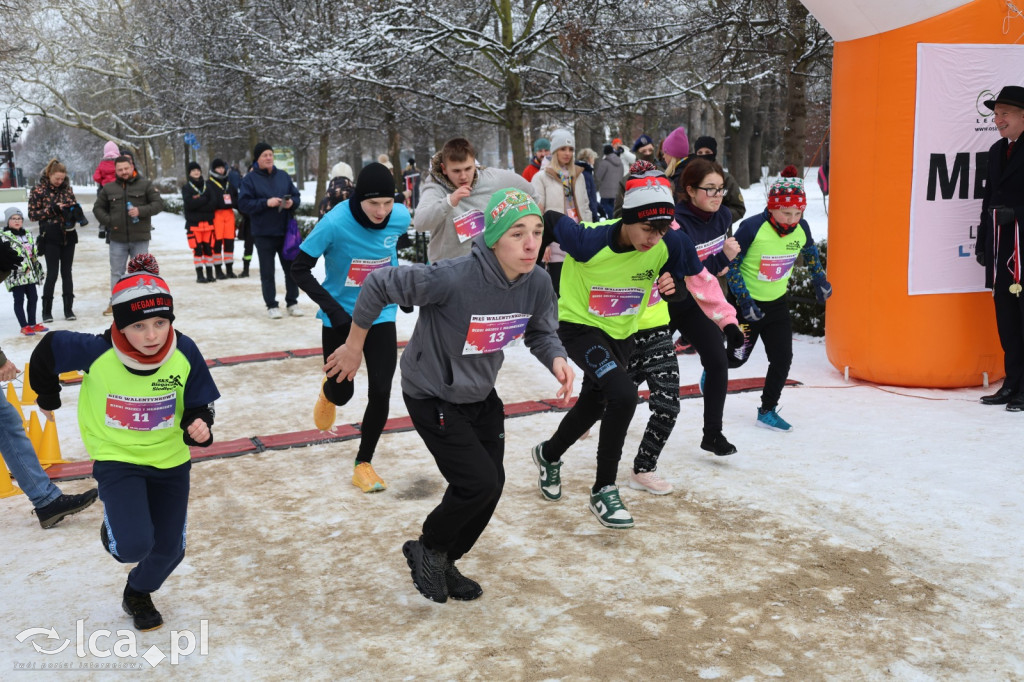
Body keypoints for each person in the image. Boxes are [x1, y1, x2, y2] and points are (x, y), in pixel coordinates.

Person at [325, 187, 573, 603]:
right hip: (431, 392)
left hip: (480, 392)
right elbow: (379, 283)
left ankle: (444, 557)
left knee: (491, 485)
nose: (532, 243)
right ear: (493, 238)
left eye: (536, 231)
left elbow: (541, 330)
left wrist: (557, 358)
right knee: (475, 481)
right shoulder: (454, 276)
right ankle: (429, 547)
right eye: (517, 234)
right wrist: (353, 347)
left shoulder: (539, 283)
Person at [530, 163, 741, 529]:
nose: (653, 239)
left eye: (661, 231)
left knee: (595, 403)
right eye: (647, 229)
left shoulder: (670, 242)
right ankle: (604, 490)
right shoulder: (587, 241)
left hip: (622, 332)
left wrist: (709, 311)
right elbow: (547, 218)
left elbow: (695, 278)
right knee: (624, 395)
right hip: (580, 327)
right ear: (627, 218)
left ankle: (548, 455)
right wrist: (531, 272)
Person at [30, 254, 220, 631]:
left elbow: (200, 403)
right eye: (138, 326)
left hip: (170, 461)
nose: (152, 335)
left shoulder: (185, 351)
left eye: (160, 323)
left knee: (170, 550)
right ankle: (119, 530)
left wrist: (199, 424)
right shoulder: (96, 352)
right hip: (116, 458)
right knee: (132, 545)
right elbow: (48, 350)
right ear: (119, 324)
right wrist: (48, 395)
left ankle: (138, 591)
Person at [291, 163, 411, 493]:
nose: (382, 211)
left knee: (382, 390)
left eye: (388, 203)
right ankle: (328, 393)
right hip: (340, 317)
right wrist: (332, 309)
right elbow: (299, 268)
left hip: (381, 315)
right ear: (358, 198)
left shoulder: (399, 216)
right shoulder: (334, 223)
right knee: (343, 394)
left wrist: (400, 291)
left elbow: (389, 249)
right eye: (374, 204)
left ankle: (364, 463)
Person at [725, 166, 832, 432]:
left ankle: (767, 409)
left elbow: (811, 255)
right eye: (786, 212)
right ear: (771, 207)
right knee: (736, 359)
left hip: (777, 305)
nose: (792, 219)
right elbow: (732, 267)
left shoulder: (801, 228)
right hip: (747, 307)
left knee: (782, 358)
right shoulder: (751, 228)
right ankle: (713, 367)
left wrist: (820, 280)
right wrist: (744, 301)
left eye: (798, 213)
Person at [669, 157, 741, 456]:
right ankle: (596, 411)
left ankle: (713, 434)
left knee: (716, 359)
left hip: (694, 300)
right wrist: (722, 260)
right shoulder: (677, 222)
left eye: (721, 189)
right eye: (709, 189)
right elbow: (690, 270)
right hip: (665, 298)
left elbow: (706, 273)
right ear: (690, 189)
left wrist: (721, 264)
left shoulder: (723, 216)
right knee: (633, 369)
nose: (717, 196)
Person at [414, 137, 538, 263]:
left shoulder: (492, 178)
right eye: (456, 171)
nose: (463, 176)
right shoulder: (435, 188)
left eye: (468, 169)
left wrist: (515, 224)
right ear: (444, 169)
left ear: (474, 163)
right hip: (448, 269)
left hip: (487, 267)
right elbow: (420, 223)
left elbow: (532, 194)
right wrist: (449, 201)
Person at [977, 85, 1024, 411]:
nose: (998, 120)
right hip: (1002, 248)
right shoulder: (996, 150)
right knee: (1007, 320)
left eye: (1004, 113)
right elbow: (988, 200)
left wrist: (1018, 214)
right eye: (995, 114)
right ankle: (1012, 384)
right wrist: (983, 242)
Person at [238, 142, 304, 318]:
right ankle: (271, 305)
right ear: (257, 159)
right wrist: (265, 203)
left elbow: (296, 196)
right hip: (263, 233)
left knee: (291, 269)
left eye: (270, 154)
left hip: (285, 232)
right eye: (264, 155)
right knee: (267, 272)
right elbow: (243, 204)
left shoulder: (283, 176)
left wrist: (292, 203)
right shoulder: (249, 179)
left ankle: (292, 302)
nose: (268, 158)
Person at [94, 156, 165, 315]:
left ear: (131, 166)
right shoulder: (109, 188)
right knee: (117, 272)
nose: (124, 172)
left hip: (140, 237)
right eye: (120, 169)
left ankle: (143, 302)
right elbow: (97, 209)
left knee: (142, 272)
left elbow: (159, 204)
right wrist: (110, 221)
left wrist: (141, 211)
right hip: (117, 239)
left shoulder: (145, 185)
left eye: (126, 168)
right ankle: (116, 303)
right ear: (116, 170)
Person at [531, 129, 592, 294]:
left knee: (578, 294)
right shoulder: (541, 177)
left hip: (578, 243)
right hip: (555, 245)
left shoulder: (578, 176)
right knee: (558, 294)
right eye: (563, 149)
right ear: (554, 151)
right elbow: (537, 213)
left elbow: (585, 207)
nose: (567, 153)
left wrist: (590, 237)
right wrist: (544, 242)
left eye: (571, 149)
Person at [28, 159, 83, 322]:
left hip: (69, 235)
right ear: (49, 174)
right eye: (57, 179)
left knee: (67, 273)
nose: (60, 182)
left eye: (62, 179)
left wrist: (76, 212)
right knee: (52, 274)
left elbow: (72, 205)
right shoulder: (38, 190)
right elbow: (32, 215)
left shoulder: (67, 189)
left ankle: (68, 310)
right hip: (50, 236)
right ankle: (46, 311)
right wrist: (52, 209)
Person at [2, 208, 46, 335]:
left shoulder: (27, 234)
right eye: (13, 219)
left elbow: (32, 253)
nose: (17, 221)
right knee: (19, 299)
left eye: (19, 218)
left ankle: (32, 323)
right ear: (8, 221)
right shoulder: (3, 236)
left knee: (33, 297)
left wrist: (39, 248)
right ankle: (24, 326)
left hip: (30, 274)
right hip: (15, 274)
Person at [688, 135, 746, 224]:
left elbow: (739, 209)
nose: (704, 155)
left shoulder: (726, 178)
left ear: (714, 153)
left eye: (707, 152)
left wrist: (718, 217)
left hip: (720, 232)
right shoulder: (690, 176)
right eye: (700, 153)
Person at [181, 161, 217, 284]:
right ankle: (200, 275)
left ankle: (210, 274)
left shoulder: (208, 186)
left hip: (208, 225)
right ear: (189, 173)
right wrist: (204, 200)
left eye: (198, 170)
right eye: (193, 170)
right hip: (194, 226)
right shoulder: (186, 188)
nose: (196, 172)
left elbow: (213, 204)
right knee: (197, 251)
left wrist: (199, 203)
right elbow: (189, 205)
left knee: (208, 250)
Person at [208, 159, 239, 279]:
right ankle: (218, 270)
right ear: (213, 170)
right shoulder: (209, 184)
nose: (221, 170)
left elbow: (236, 198)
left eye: (222, 168)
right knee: (216, 243)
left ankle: (229, 269)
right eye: (218, 168)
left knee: (229, 243)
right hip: (217, 216)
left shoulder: (229, 183)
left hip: (229, 215)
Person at [228, 163, 253, 277]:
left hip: (263, 223)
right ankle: (246, 269)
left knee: (265, 249)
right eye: (251, 171)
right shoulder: (245, 186)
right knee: (248, 247)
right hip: (249, 222)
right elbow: (240, 203)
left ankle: (267, 268)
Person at [595, 144, 622, 219]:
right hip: (616, 189)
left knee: (604, 206)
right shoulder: (620, 162)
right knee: (613, 206)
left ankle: (610, 219)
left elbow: (598, 175)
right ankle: (614, 219)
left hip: (606, 190)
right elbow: (622, 174)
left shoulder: (605, 162)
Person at [575, 147, 603, 220]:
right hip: (587, 214)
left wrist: (599, 208)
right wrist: (594, 214)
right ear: (589, 158)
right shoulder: (585, 173)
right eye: (593, 157)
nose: (594, 160)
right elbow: (588, 196)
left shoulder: (586, 171)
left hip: (589, 211)